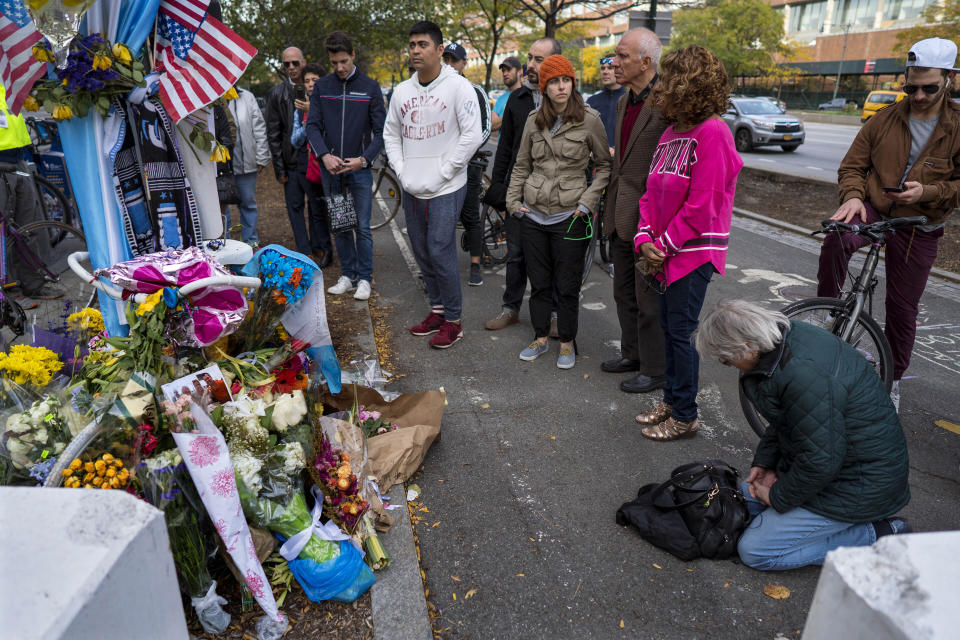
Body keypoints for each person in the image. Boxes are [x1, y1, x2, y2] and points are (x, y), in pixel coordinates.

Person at [695, 299, 911, 571]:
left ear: (747, 345)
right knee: (743, 498)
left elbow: (822, 460)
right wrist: (766, 464)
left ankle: (876, 534)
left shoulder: (802, 372)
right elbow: (789, 420)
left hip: (861, 482)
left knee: (755, 550)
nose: (725, 363)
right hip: (839, 464)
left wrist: (778, 497)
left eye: (725, 357)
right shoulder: (784, 339)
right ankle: (815, 521)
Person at [816, 37, 960, 412]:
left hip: (920, 224)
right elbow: (852, 166)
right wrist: (851, 196)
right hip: (875, 210)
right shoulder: (885, 119)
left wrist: (927, 191)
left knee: (901, 309)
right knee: (836, 237)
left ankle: (892, 380)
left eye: (929, 87)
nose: (919, 95)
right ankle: (830, 309)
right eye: (911, 86)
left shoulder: (957, 126)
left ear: (949, 79)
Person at [632, 45, 742, 440]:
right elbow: (648, 193)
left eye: (669, 78)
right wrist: (644, 237)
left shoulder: (713, 132)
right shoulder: (669, 132)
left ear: (687, 84)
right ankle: (673, 399)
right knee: (669, 330)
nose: (661, 86)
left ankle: (685, 414)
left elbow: (704, 204)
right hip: (663, 250)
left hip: (691, 254)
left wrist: (662, 245)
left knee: (681, 333)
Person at [506, 54, 611, 369]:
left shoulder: (589, 119)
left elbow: (604, 166)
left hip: (570, 216)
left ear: (572, 83)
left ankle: (566, 342)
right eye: (554, 82)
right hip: (534, 216)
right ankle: (539, 338)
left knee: (566, 285)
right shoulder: (533, 120)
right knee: (538, 283)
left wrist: (587, 203)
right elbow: (521, 165)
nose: (561, 87)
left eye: (565, 80)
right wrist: (513, 203)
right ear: (545, 86)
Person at [383, 20, 482, 349]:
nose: (415, 50)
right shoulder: (402, 91)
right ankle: (437, 312)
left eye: (422, 44)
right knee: (422, 250)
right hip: (412, 186)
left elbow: (471, 135)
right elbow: (391, 134)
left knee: (440, 250)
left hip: (446, 186)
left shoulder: (458, 87)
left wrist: (446, 169)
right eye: (412, 45)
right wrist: (401, 169)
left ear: (439, 50)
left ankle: (453, 320)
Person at [602, 28, 668, 395]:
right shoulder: (624, 101)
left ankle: (655, 368)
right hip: (619, 208)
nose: (614, 62)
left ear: (646, 62)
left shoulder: (666, 102)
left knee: (649, 300)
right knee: (623, 291)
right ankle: (632, 354)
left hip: (651, 214)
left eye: (622, 56)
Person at [483, 37, 563, 333]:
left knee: (554, 257)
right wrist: (502, 194)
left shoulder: (567, 98)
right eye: (530, 57)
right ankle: (510, 309)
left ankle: (555, 314)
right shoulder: (517, 100)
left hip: (555, 196)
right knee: (516, 255)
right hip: (519, 194)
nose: (530, 65)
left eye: (539, 59)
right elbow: (504, 149)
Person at [307, 31, 387, 302]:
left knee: (362, 227)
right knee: (341, 224)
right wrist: (324, 156)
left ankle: (365, 278)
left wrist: (364, 160)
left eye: (343, 61)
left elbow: (381, 131)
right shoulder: (323, 87)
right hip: (332, 170)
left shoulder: (370, 87)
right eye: (334, 63)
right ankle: (348, 275)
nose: (339, 68)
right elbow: (313, 126)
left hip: (359, 169)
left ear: (353, 55)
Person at [265, 48, 333, 265]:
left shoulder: (319, 89)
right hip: (291, 162)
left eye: (295, 63)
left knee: (317, 207)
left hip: (315, 162)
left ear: (303, 62)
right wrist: (279, 169)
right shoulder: (277, 93)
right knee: (295, 208)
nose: (291, 68)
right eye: (287, 64)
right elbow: (273, 133)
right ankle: (304, 251)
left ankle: (320, 248)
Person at [0, 82, 61, 304]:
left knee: (29, 226)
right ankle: (10, 292)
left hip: (18, 158)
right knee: (2, 232)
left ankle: (33, 284)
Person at [442, 42, 492, 287]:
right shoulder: (436, 91)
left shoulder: (475, 90)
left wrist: (461, 154)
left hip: (469, 164)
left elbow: (485, 128)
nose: (450, 65)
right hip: (442, 167)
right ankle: (441, 266)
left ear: (464, 64)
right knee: (443, 217)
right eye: (446, 60)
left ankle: (475, 265)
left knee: (471, 214)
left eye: (455, 60)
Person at [289, 63, 334, 266]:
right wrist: (308, 120)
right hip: (310, 168)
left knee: (338, 208)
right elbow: (295, 140)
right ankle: (325, 250)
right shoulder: (299, 109)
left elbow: (335, 132)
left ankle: (349, 253)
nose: (309, 85)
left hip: (333, 165)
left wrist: (316, 112)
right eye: (306, 81)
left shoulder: (332, 103)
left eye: (314, 80)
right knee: (316, 211)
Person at [225, 87, 270, 246]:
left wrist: (261, 156)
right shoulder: (212, 96)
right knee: (222, 207)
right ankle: (225, 245)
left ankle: (251, 243)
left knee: (248, 204)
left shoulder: (247, 96)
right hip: (222, 166)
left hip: (246, 163)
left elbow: (259, 127)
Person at [586, 51, 625, 156]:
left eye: (610, 68)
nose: (605, 71)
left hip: (621, 163)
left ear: (619, 70)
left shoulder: (630, 100)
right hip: (594, 164)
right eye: (603, 68)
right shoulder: (591, 102)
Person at [492, 56, 523, 131]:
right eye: (503, 71)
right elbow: (492, 125)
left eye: (508, 70)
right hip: (502, 142)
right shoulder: (500, 99)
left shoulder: (526, 95)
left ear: (519, 72)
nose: (505, 74)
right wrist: (512, 114)